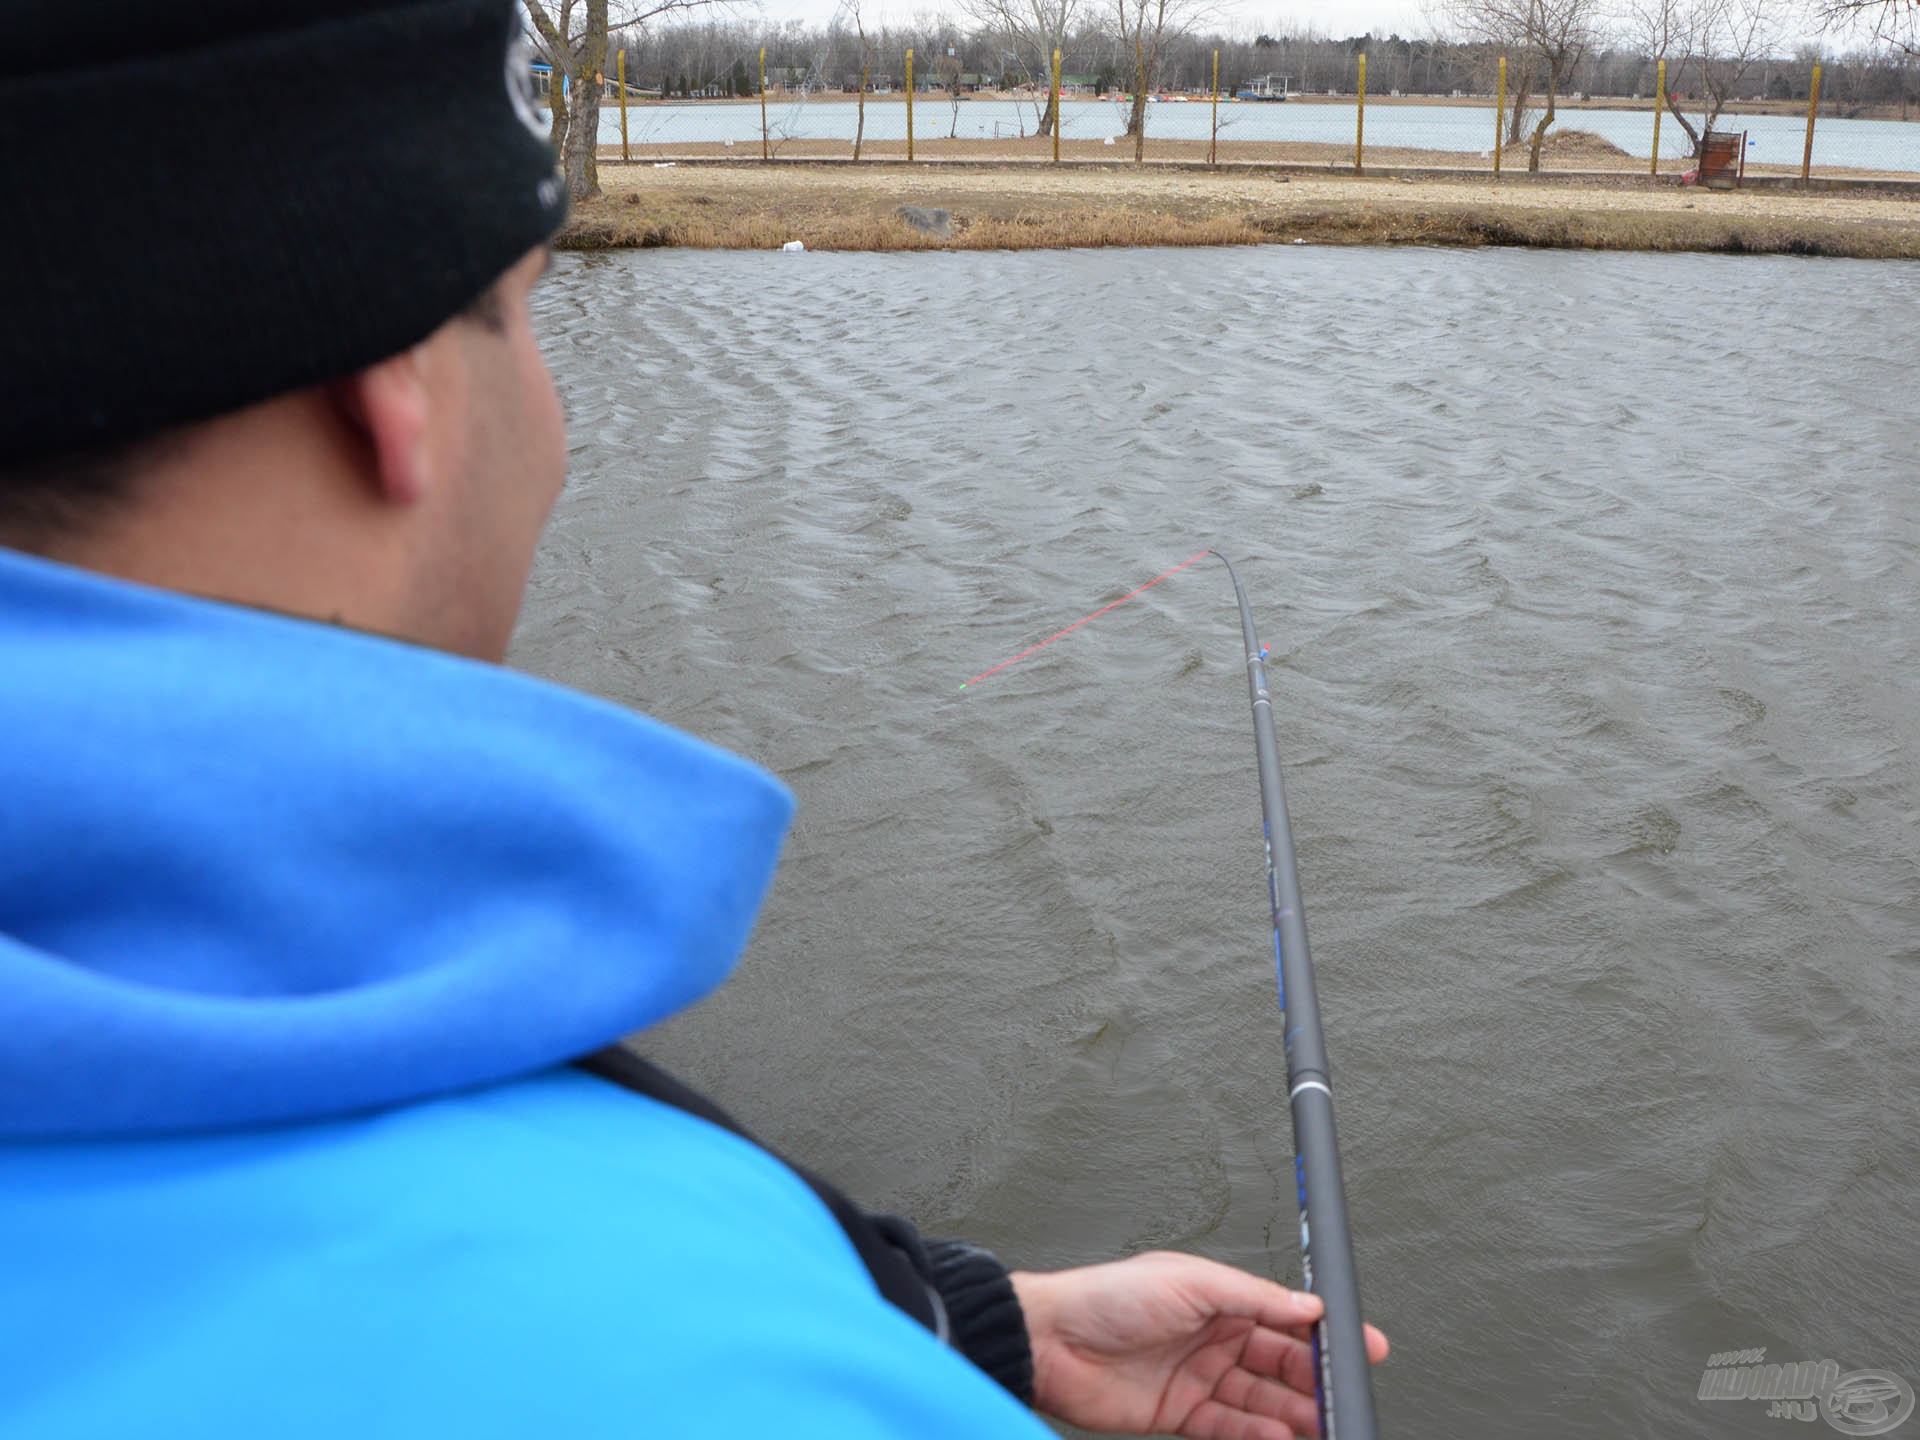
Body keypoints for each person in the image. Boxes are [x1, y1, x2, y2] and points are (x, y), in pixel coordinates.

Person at [0, 3, 1385, 1436]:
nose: (551, 421)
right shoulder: (707, 1369)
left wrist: (965, 1327)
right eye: (525, 310)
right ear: (391, 386)